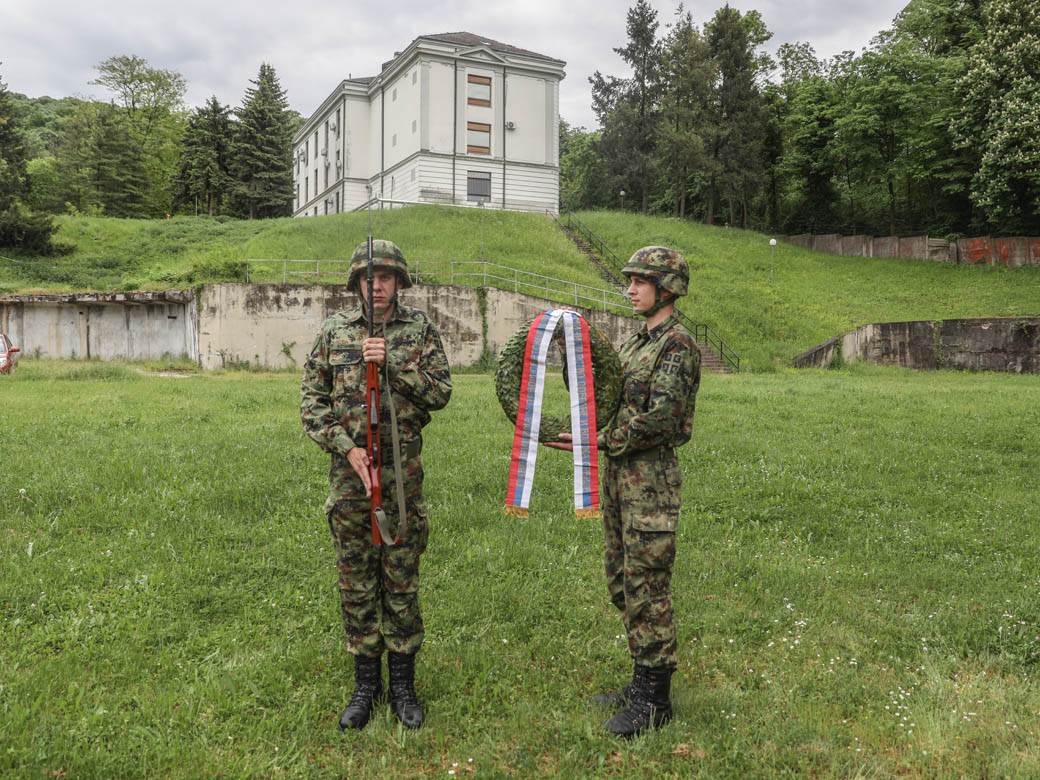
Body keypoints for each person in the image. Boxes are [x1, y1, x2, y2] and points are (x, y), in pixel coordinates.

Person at [547, 246, 700, 738]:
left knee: (647, 586)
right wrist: (572, 353)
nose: (630, 289)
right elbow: (604, 393)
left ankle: (655, 700)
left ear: (667, 288)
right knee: (621, 580)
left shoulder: (677, 346)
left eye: (640, 281)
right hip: (619, 477)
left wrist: (599, 440)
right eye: (629, 280)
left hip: (649, 483)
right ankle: (640, 683)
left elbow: (664, 419)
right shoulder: (636, 343)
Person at [300, 239, 451, 731]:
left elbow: (441, 392)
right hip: (351, 480)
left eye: (385, 277)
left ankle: (403, 684)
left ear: (399, 282)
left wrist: (393, 365)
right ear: (356, 284)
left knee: (401, 580)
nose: (377, 286)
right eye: (368, 278)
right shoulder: (334, 332)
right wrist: (347, 447)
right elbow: (312, 403)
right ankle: (366, 684)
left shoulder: (420, 330)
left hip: (401, 479)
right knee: (356, 582)